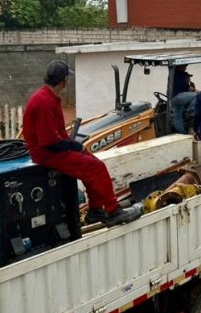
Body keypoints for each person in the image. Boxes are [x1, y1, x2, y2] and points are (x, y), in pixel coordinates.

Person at [23, 60, 140, 227]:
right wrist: (75, 147)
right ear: (63, 80)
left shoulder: (47, 97)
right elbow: (50, 142)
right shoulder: (44, 102)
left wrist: (77, 147)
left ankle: (95, 209)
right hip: (45, 153)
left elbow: (57, 136)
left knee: (93, 163)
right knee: (95, 168)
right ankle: (113, 211)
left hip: (49, 149)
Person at [171, 64, 197, 134]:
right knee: (197, 96)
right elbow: (190, 89)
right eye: (185, 66)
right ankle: (191, 112)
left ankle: (181, 131)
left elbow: (186, 89)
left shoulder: (173, 73)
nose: (185, 68)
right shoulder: (179, 75)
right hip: (179, 96)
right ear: (180, 66)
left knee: (177, 115)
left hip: (173, 98)